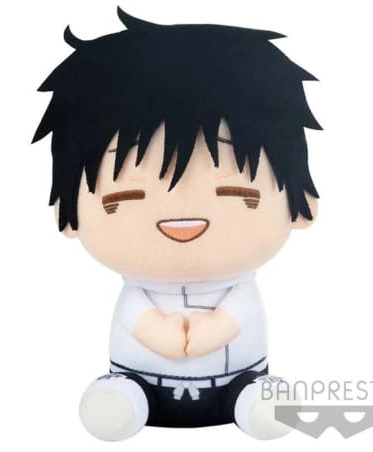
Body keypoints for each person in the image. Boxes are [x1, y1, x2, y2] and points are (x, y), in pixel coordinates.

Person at [32, 7, 321, 441]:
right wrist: (160, 332)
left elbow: (239, 309)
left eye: (231, 192)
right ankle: (124, 398)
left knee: (258, 397)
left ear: (302, 207)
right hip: (142, 379)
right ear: (67, 215)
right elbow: (136, 314)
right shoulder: (137, 292)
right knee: (121, 398)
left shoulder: (240, 290)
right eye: (127, 198)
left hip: (237, 376)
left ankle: (254, 399)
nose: (178, 214)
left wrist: (217, 330)